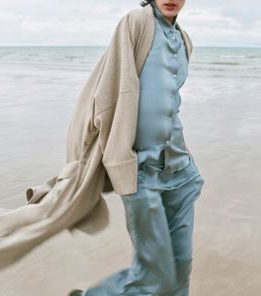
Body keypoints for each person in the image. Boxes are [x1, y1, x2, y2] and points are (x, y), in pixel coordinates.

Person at [68, 0, 205, 295]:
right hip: (141, 171)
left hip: (181, 171)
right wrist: (111, 155)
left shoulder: (184, 40)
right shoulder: (136, 24)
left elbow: (169, 104)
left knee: (181, 268)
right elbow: (107, 91)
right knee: (154, 276)